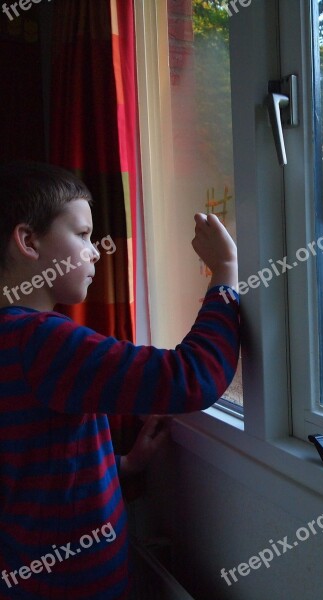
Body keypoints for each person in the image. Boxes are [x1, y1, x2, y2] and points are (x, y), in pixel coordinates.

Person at [0, 162, 240, 599]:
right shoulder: (40, 342)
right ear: (29, 241)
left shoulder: (18, 342)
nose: (95, 251)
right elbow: (193, 377)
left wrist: (125, 465)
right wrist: (224, 272)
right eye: (82, 234)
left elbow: (34, 464)